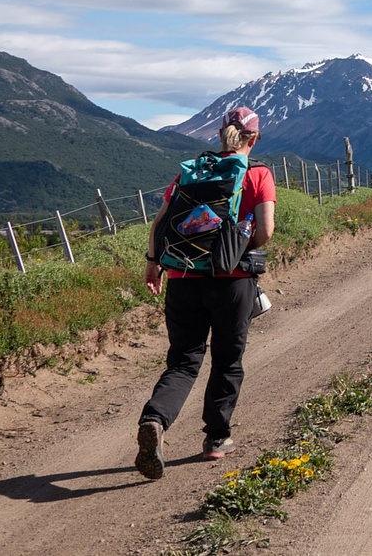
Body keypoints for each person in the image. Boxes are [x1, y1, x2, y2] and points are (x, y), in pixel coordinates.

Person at [133, 106, 276, 480]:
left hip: (182, 278)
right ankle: (216, 438)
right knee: (227, 359)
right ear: (254, 138)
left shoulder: (190, 172)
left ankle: (155, 420)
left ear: (220, 134)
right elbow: (265, 230)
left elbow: (161, 222)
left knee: (183, 362)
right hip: (232, 281)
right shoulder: (258, 174)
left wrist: (154, 263)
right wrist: (238, 247)